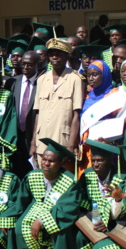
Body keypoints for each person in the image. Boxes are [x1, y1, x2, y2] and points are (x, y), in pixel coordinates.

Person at [12, 139, 80, 249]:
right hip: (37, 208)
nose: (46, 163)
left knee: (59, 230)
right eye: (44, 159)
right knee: (20, 225)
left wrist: (42, 220)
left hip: (59, 215)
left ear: (61, 163)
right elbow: (21, 201)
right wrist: (6, 216)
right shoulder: (33, 176)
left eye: (51, 161)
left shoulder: (70, 181)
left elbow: (68, 208)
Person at [31, 39, 83, 168]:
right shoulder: (42, 79)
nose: (55, 57)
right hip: (42, 140)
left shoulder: (75, 79)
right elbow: (37, 113)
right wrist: (33, 142)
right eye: (52, 54)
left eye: (59, 54)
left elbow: (76, 114)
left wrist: (71, 144)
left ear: (66, 56)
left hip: (62, 141)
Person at [5, 51, 38, 177]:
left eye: (29, 64)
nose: (25, 67)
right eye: (23, 64)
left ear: (36, 64)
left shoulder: (42, 82)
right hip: (15, 135)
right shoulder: (12, 82)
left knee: (32, 171)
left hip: (32, 135)